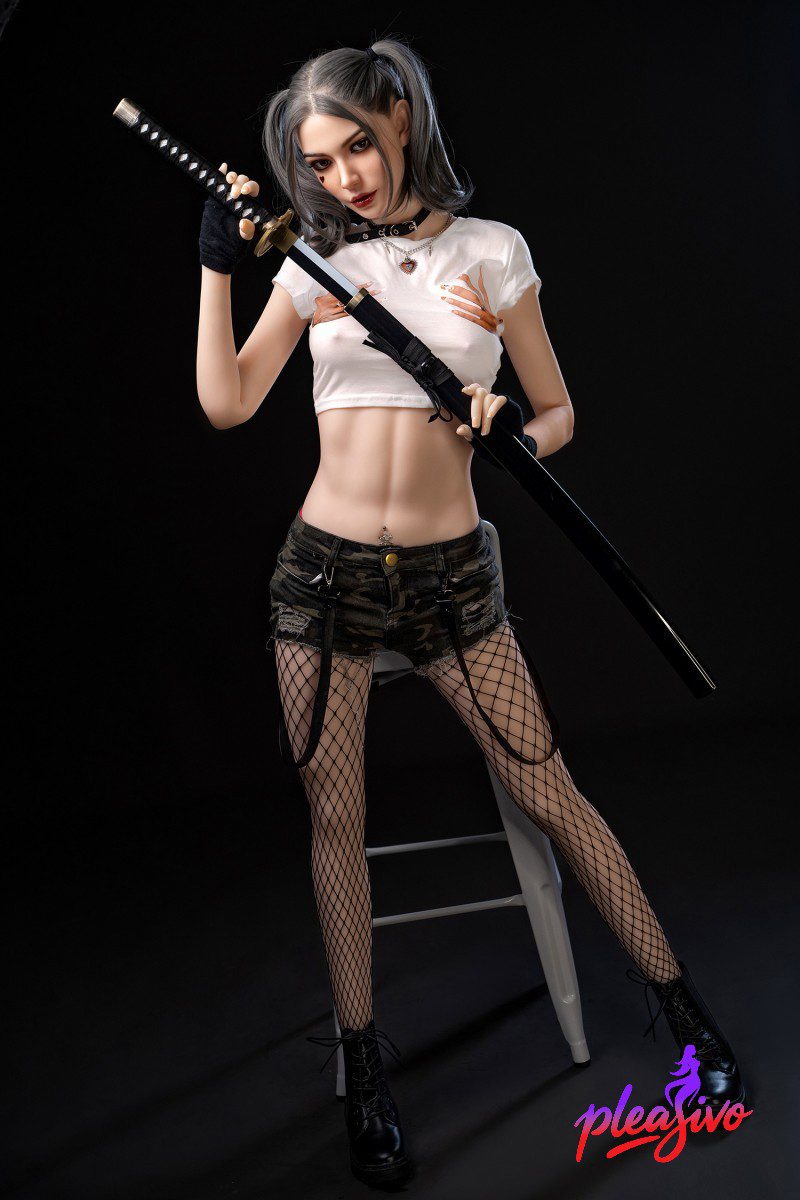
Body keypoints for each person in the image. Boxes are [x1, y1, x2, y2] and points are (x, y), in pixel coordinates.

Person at [195, 37, 747, 1188]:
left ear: (399, 116)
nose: (344, 178)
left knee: (551, 791)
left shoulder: (492, 251)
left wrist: (505, 427)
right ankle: (364, 1071)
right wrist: (215, 270)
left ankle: (686, 1020)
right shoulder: (311, 263)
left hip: (452, 580)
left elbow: (558, 415)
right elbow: (228, 403)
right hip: (323, 577)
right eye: (319, 164)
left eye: (356, 146)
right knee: (334, 818)